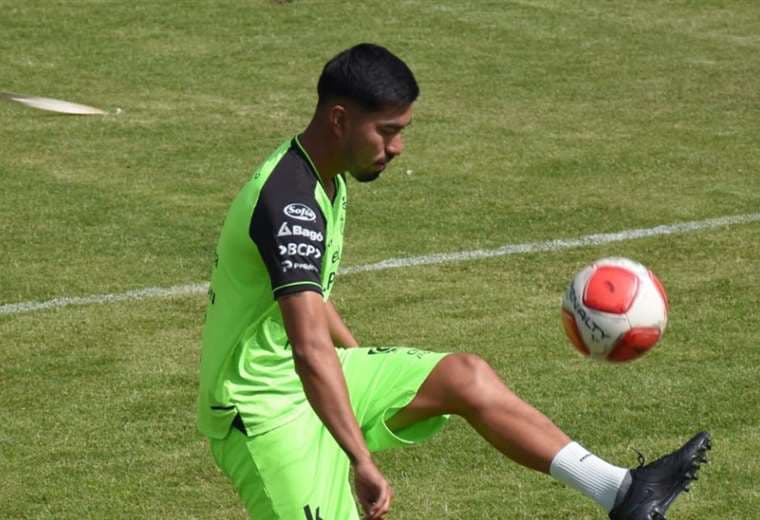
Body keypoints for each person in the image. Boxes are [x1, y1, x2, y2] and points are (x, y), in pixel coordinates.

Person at [197, 43, 711, 520]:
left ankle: (621, 491)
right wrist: (360, 458)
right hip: (261, 410)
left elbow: (305, 299)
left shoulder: (323, 176)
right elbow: (309, 349)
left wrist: (357, 362)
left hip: (307, 376)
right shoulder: (290, 204)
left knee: (463, 377)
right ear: (339, 119)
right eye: (388, 130)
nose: (397, 147)